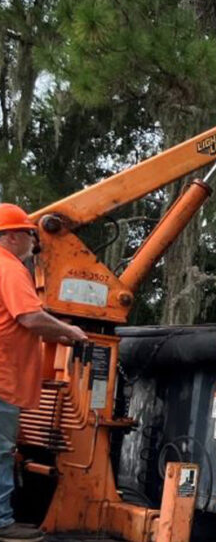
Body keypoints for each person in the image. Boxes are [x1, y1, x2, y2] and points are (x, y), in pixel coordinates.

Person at [0, 203, 88, 541]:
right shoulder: (9, 267)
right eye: (28, 233)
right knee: (0, 451)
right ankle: (3, 522)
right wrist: (72, 333)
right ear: (11, 235)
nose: (33, 242)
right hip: (3, 380)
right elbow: (31, 318)